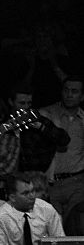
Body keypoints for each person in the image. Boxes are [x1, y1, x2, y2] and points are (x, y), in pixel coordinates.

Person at [39, 76, 84, 225]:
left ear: (82, 96)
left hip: (77, 182)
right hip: (50, 183)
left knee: (75, 229)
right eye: (66, 90)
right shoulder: (47, 115)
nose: (69, 94)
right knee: (53, 232)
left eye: (74, 91)